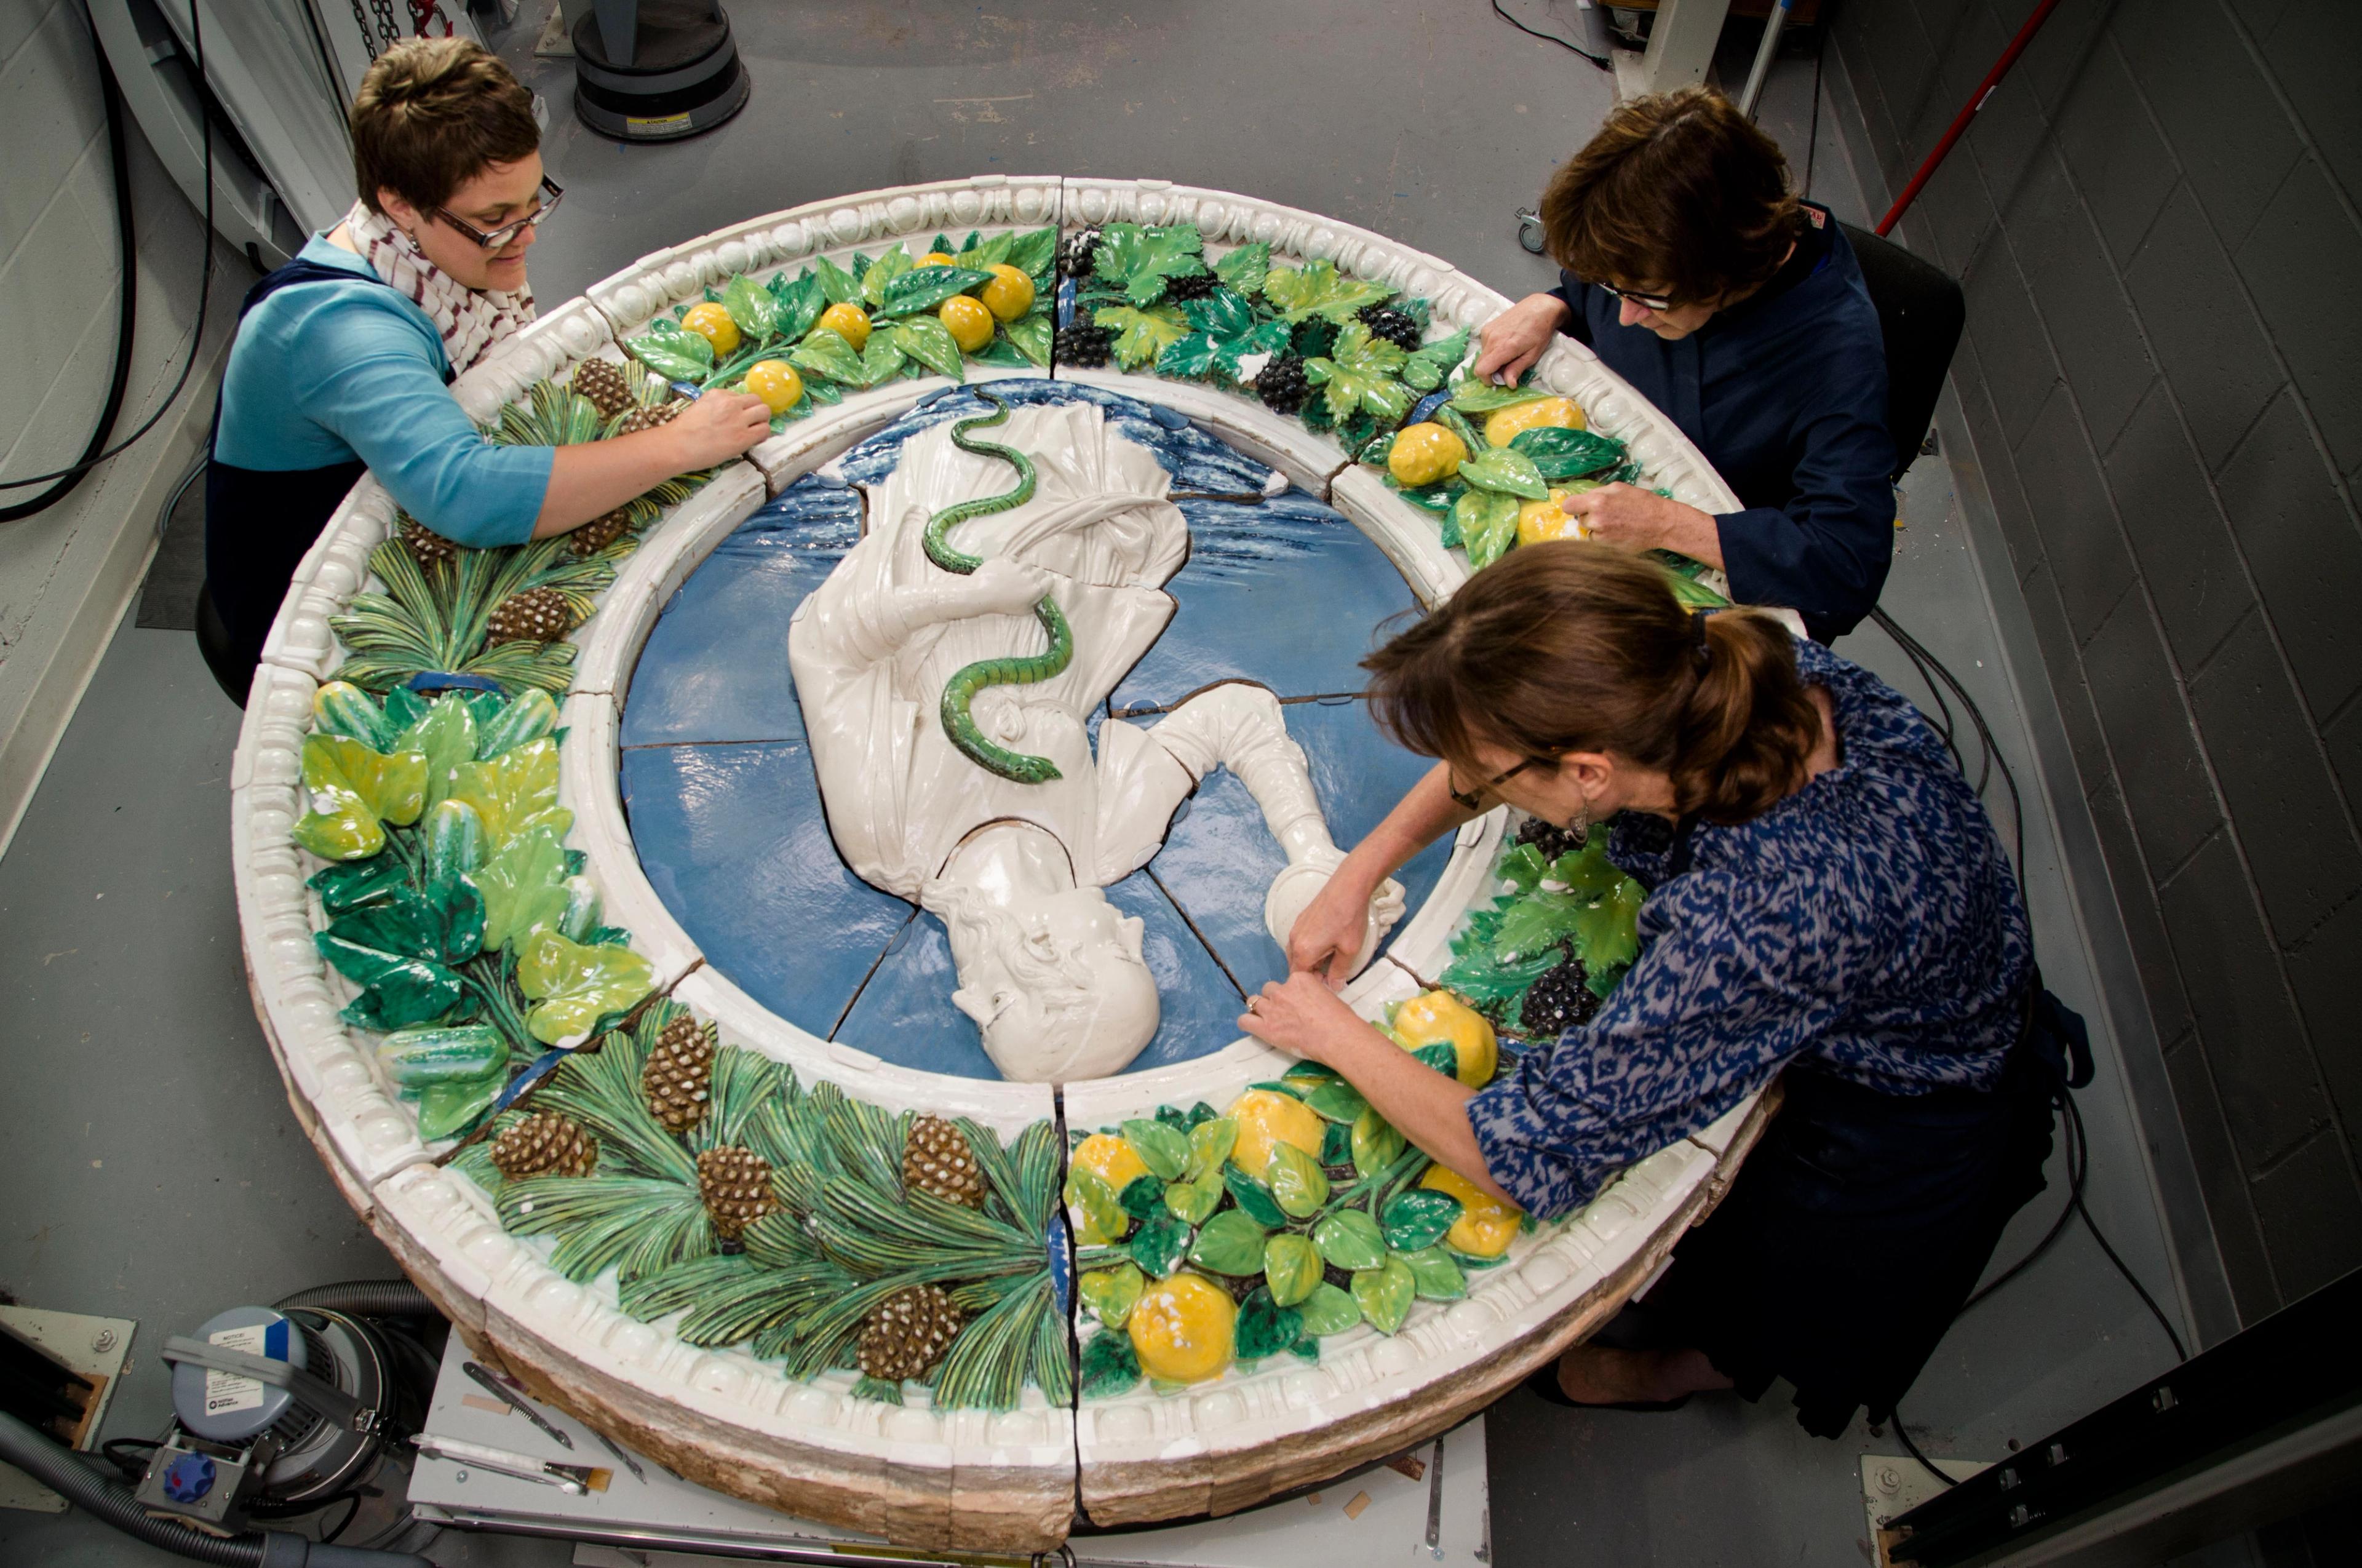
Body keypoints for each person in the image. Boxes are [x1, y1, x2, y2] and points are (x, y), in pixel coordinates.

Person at [1239, 543, 2058, 1436]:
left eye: (1489, 769)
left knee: (1785, 1287)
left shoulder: (1761, 918)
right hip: (1920, 953)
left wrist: (1329, 1030)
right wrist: (1357, 874)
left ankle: (1681, 1369)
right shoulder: (1709, 660)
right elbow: (1507, 760)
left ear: (1590, 775)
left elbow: (1527, 1157)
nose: (1469, 782)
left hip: (1913, 1109)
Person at [204, 38, 769, 692]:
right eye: (496, 220)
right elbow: (467, 493)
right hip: (302, 612)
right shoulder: (339, 329)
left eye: (534, 203)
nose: (526, 237)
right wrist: (677, 444)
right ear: (399, 204)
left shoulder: (425, 253)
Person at [1474, 87, 1894, 643]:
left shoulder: (1838, 353)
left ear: (1727, 272)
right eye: (1611, 288)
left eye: (1648, 298)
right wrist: (1557, 304)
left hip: (1691, 542)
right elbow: (1609, 291)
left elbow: (1845, 569)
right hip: (1604, 474)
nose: (1623, 317)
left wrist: (1673, 526)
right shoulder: (1660, 262)